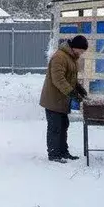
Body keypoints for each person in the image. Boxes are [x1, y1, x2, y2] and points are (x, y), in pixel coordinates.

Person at [40, 35, 89, 163]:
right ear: (75, 47)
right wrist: (72, 93)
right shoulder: (59, 57)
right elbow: (59, 79)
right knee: (55, 127)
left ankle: (63, 152)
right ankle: (54, 154)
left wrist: (79, 88)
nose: (82, 53)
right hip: (53, 99)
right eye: (82, 50)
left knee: (63, 126)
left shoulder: (71, 58)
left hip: (62, 100)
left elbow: (70, 78)